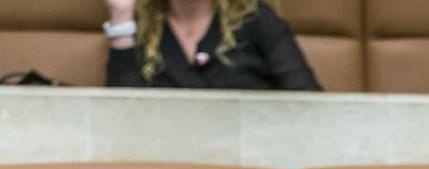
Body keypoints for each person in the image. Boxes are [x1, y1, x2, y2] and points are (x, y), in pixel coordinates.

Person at [103, 0, 321, 89]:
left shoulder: (255, 18)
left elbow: (308, 103)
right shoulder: (140, 27)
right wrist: (121, 18)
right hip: (165, 163)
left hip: (249, 162)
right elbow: (121, 115)